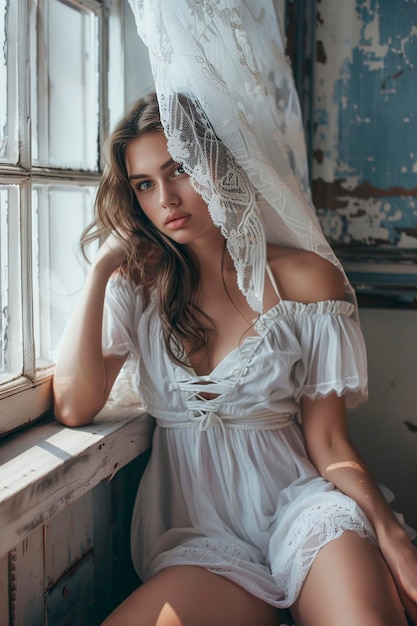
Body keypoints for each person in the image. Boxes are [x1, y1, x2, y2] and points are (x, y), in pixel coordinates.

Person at [53, 92, 417, 626]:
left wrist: (390, 534)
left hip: (305, 512)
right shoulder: (137, 287)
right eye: (145, 185)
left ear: (218, 166)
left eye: (179, 171)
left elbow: (330, 441)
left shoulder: (304, 279)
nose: (167, 199)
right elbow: (73, 406)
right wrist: (103, 267)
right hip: (200, 538)